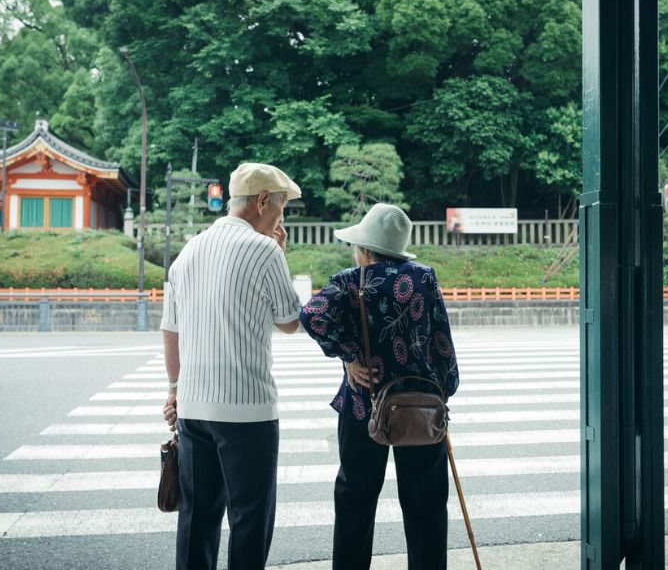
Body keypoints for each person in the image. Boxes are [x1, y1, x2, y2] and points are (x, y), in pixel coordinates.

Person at [299, 203, 460, 570]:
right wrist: (446, 389)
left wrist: (348, 355)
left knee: (356, 497)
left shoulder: (350, 281)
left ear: (365, 249)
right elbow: (441, 339)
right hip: (421, 405)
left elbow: (311, 316)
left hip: (363, 404)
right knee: (426, 504)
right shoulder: (423, 277)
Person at [160, 162, 304, 570]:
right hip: (247, 412)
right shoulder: (264, 250)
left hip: (193, 408)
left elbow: (170, 329)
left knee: (196, 518)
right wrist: (281, 255)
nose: (281, 218)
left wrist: (174, 388)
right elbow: (290, 322)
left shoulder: (189, 249)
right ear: (262, 202)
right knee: (249, 520)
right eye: (281, 208)